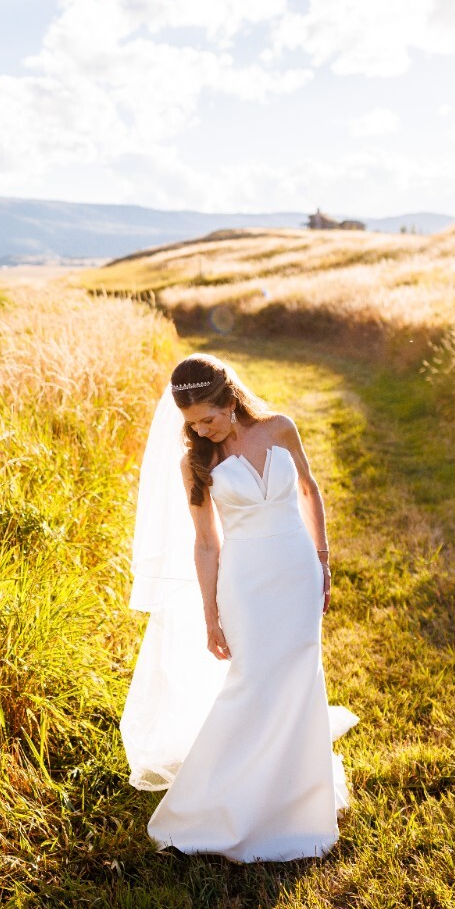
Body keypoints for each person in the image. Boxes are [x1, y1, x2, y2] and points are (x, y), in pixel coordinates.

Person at [120, 352, 357, 862]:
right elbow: (207, 544)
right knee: (252, 682)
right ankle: (216, 802)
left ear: (231, 401)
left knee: (299, 676)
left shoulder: (279, 428)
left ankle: (296, 799)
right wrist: (211, 613)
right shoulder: (195, 462)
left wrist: (323, 558)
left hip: (296, 570)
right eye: (191, 423)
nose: (201, 430)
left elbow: (308, 488)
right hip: (246, 583)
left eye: (208, 417)